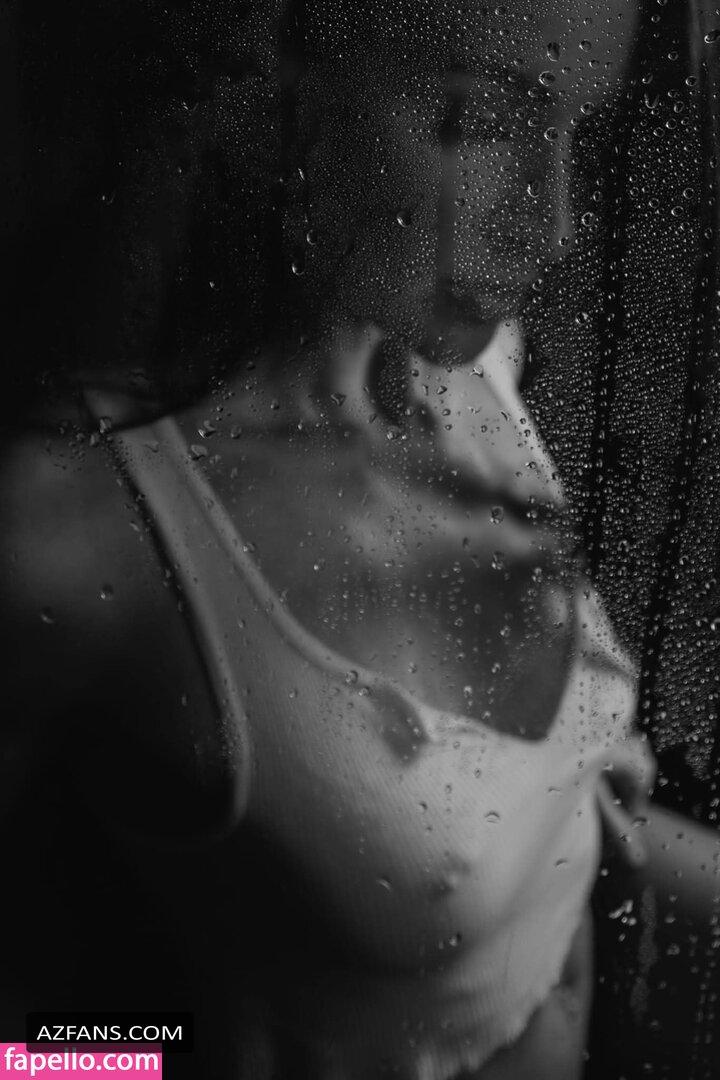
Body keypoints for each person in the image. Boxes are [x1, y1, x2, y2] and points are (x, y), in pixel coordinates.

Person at [2, 0, 718, 1077]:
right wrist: (142, 1062)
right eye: (482, 123)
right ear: (279, 81)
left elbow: (530, 806)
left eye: (579, 127)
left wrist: (586, 808)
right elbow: (24, 1042)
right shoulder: (78, 529)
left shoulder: (479, 368)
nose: (555, 224)